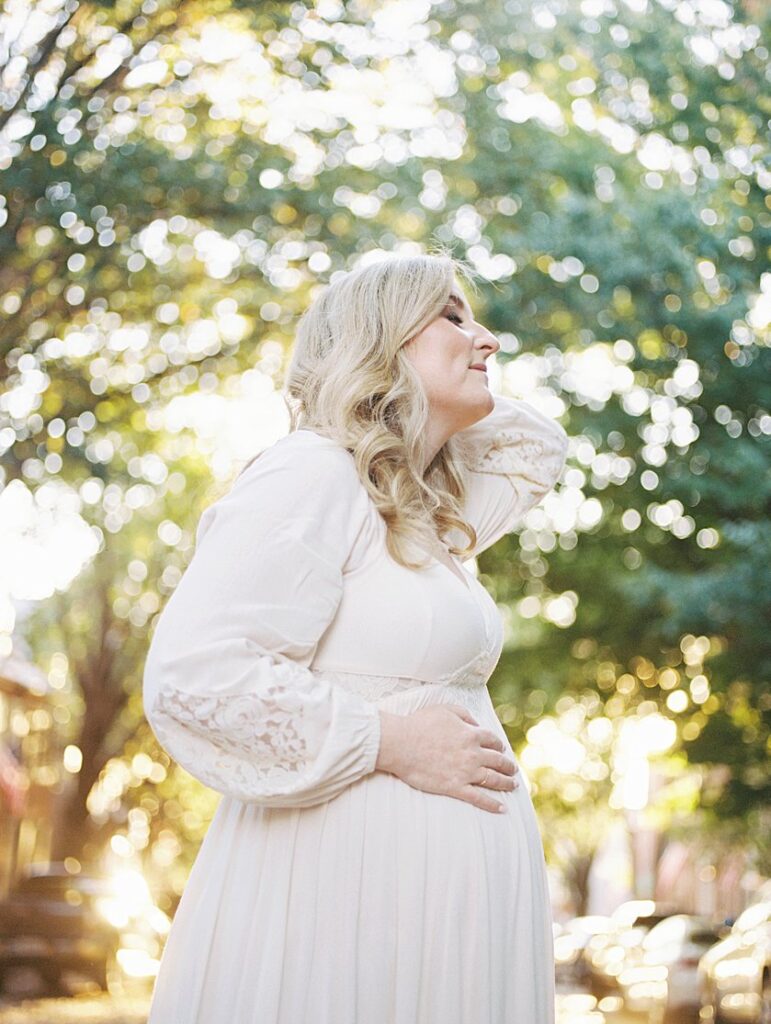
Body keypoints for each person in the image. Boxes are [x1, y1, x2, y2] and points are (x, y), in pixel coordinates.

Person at [142, 250, 570, 1023]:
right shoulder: (311, 473)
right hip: (343, 909)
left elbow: (535, 447)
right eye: (451, 314)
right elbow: (194, 674)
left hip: (442, 930)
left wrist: (423, 405)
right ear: (380, 341)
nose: (488, 340)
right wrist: (390, 742)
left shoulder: (412, 508)